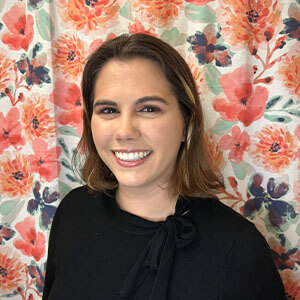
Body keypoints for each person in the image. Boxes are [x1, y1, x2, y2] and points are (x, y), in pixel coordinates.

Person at [42, 33, 286, 300]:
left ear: (186, 122)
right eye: (109, 110)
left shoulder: (239, 250)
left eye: (148, 109)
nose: (124, 131)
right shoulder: (74, 211)